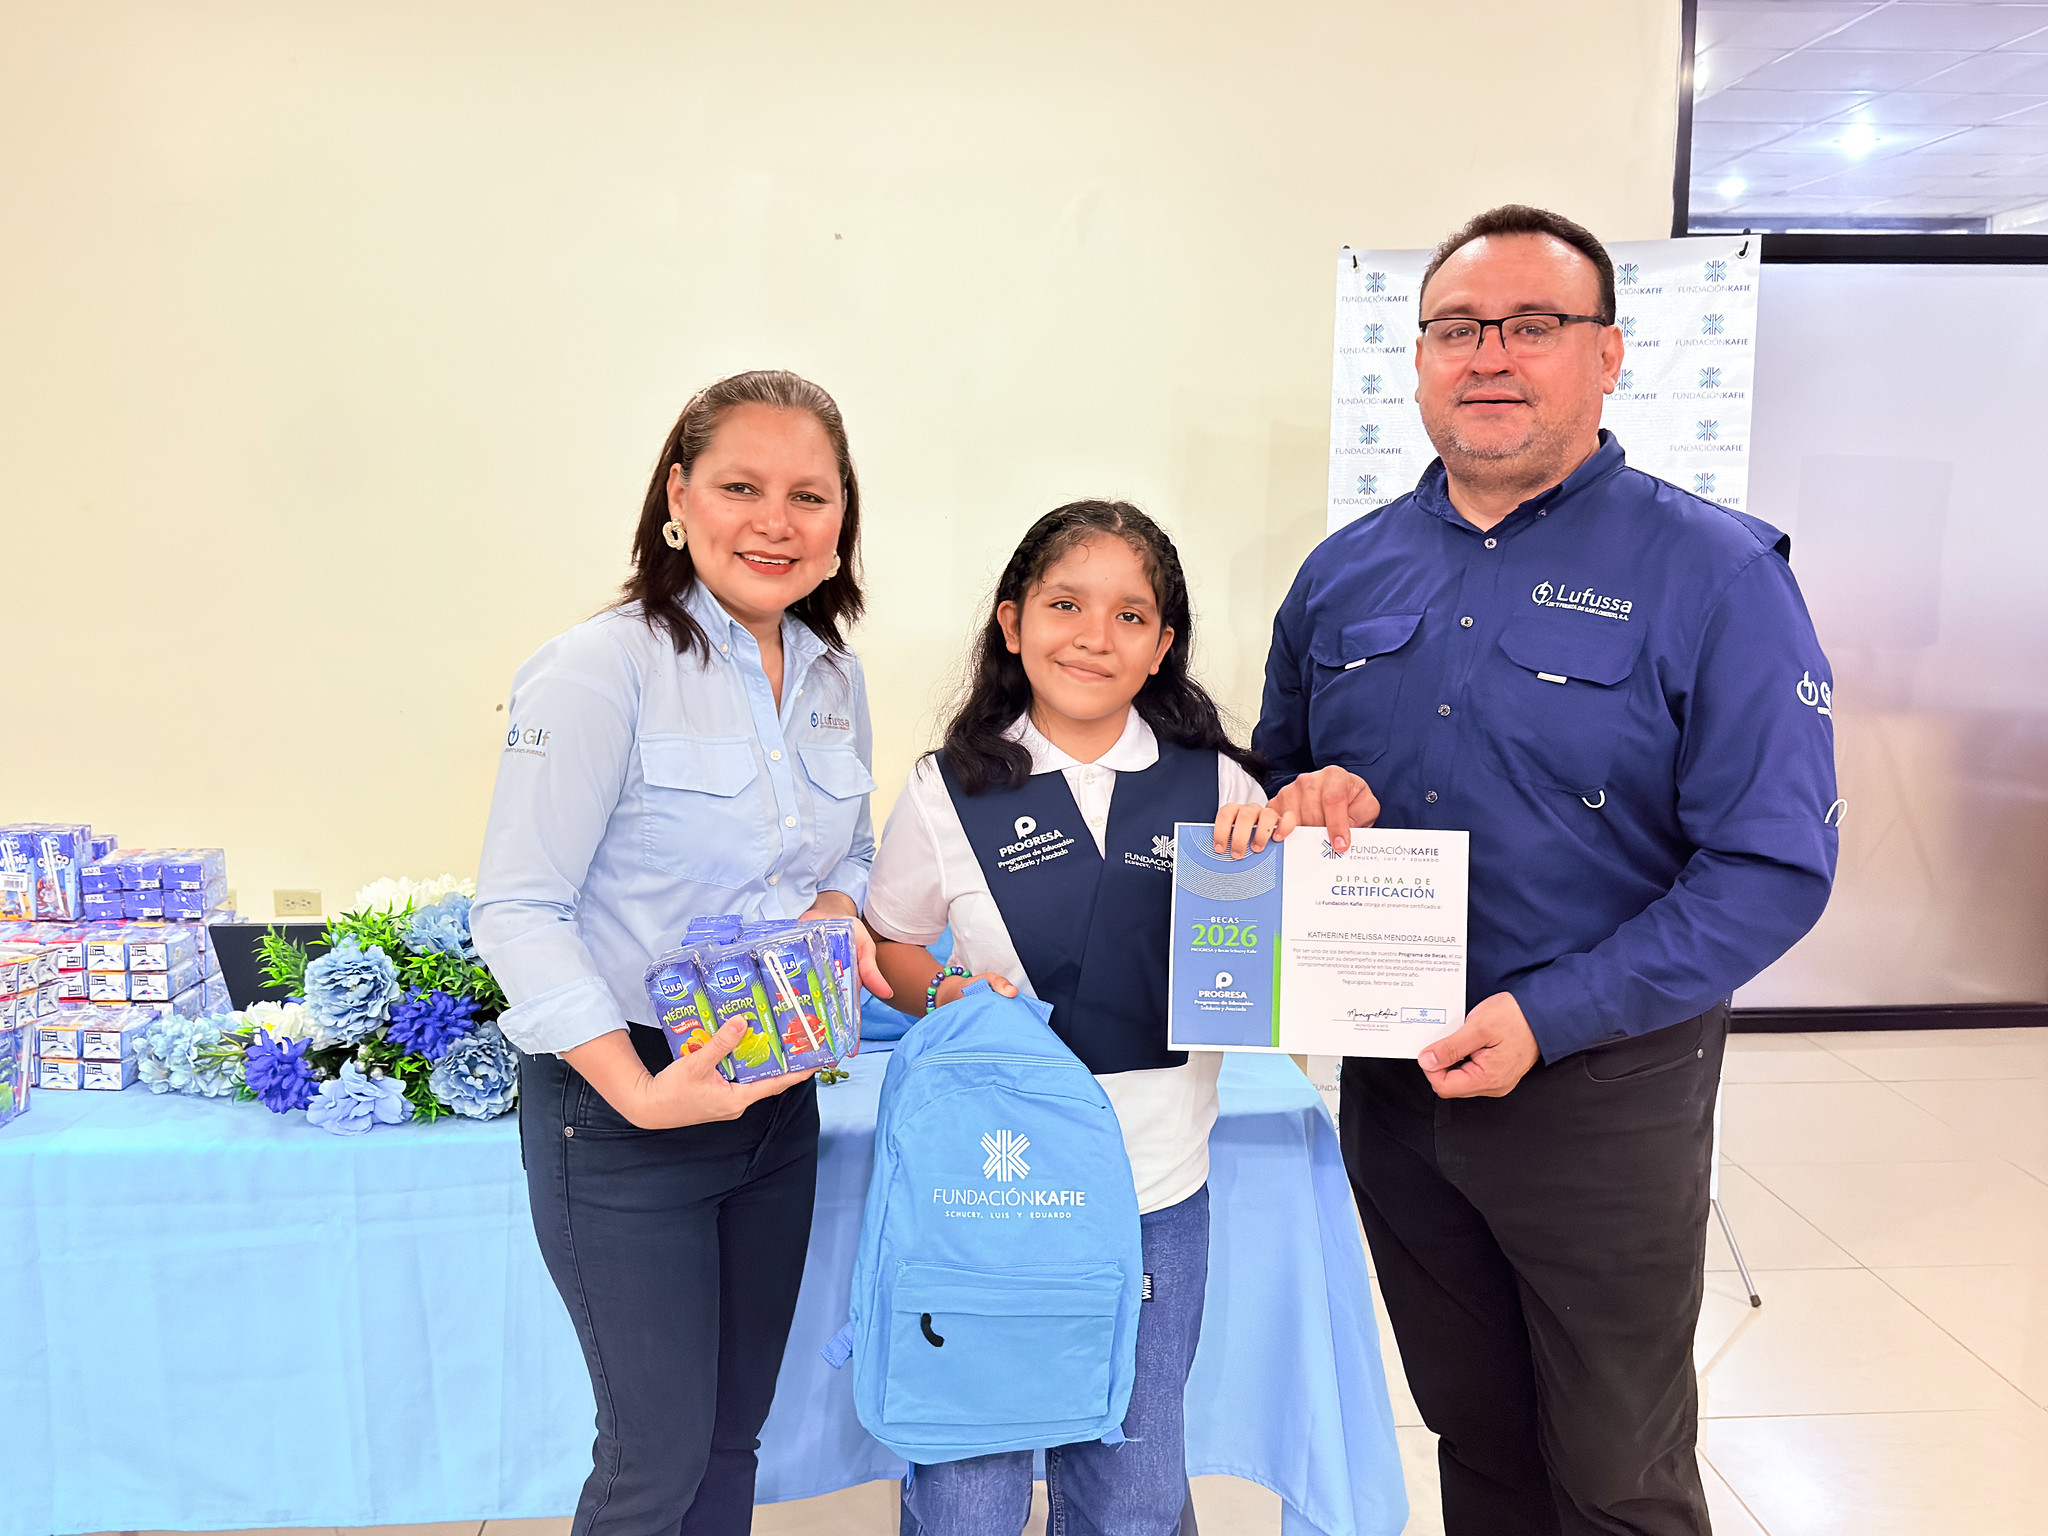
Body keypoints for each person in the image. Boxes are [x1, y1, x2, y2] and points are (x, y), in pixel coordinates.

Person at [1241, 206, 1839, 1536]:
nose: (1491, 356)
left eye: (1532, 326)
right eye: (1458, 329)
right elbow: (1271, 783)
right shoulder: (1342, 574)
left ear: (1608, 354)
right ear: (1418, 359)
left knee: (1617, 1470)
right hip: (1395, 1093)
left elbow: (1772, 866)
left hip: (1602, 1099)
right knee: (1478, 1440)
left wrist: (1549, 1014)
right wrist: (1296, 804)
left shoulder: (1716, 573)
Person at [471, 370, 892, 1536]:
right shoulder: (596, 668)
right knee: (650, 1466)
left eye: (808, 495)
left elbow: (852, 851)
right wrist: (640, 1093)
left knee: (727, 1440)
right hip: (624, 1113)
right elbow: (516, 907)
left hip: (774, 1101)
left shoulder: (832, 675)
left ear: (841, 519)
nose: (775, 521)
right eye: (740, 487)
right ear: (677, 496)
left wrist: (834, 903)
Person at [863, 501, 1268, 1536]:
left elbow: (1269, 952)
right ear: (1012, 622)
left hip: (1154, 1190)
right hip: (990, 1187)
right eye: (1064, 605)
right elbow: (892, 946)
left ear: (1162, 645)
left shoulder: (1219, 784)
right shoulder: (949, 788)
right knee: (969, 1493)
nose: (1095, 636)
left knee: (1131, 1488)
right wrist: (944, 996)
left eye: (1130, 615)